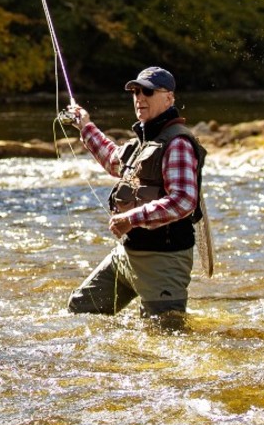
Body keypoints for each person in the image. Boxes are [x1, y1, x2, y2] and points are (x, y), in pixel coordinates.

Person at [59, 66, 206, 319]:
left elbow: (183, 201)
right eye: (135, 92)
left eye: (147, 92)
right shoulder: (142, 141)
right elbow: (112, 159)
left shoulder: (177, 143)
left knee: (165, 337)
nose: (139, 98)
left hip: (163, 263)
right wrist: (84, 125)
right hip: (127, 256)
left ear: (169, 98)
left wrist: (130, 218)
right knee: (81, 311)